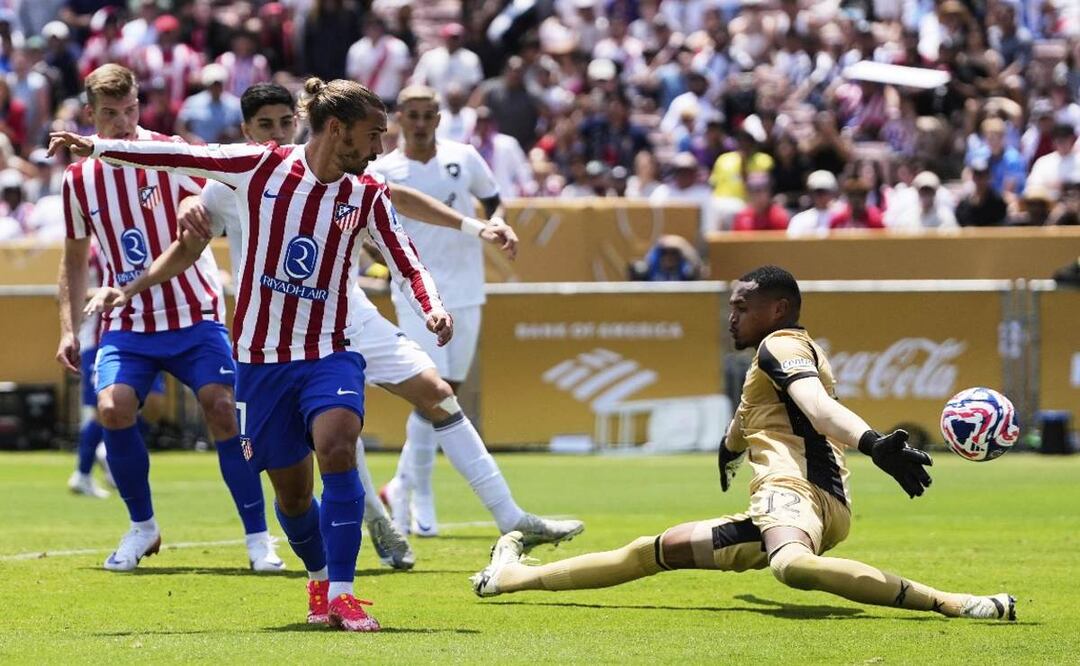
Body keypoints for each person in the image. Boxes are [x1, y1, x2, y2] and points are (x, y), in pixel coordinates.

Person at [51, 77, 453, 633]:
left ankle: (343, 592)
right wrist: (95, 146)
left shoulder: (368, 194)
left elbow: (406, 260)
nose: (380, 148)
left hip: (329, 351)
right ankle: (317, 578)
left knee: (338, 445)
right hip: (262, 362)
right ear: (336, 130)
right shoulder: (259, 167)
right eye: (373, 135)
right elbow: (179, 153)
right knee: (292, 496)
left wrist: (432, 308)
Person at [472, 265, 1016, 624]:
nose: (730, 316)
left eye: (740, 306)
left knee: (791, 568)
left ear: (776, 309)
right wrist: (729, 449)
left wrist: (875, 445)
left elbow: (819, 409)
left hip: (793, 492)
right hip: (807, 503)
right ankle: (511, 577)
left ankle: (954, 603)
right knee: (652, 551)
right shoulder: (771, 360)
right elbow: (748, 422)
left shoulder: (780, 345)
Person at [52, 64, 281, 575]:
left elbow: (204, 193)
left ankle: (258, 538)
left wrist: (190, 202)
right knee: (112, 408)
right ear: (90, 115)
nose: (122, 121)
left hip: (194, 312)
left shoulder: (166, 149)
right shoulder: (79, 178)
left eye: (130, 109)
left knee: (223, 409)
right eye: (109, 113)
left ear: (140, 105)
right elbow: (71, 260)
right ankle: (143, 527)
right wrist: (68, 328)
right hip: (129, 320)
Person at [369, 85, 585, 545]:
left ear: (439, 118)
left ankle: (402, 485)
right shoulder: (383, 169)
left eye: (430, 114)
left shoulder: (464, 157)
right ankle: (419, 494)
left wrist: (500, 221)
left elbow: (492, 201)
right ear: (399, 119)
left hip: (467, 287)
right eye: (414, 115)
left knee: (454, 390)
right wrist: (384, 258)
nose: (422, 123)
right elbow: (373, 228)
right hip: (416, 292)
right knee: (434, 390)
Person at [787, 170, 842, 237]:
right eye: (817, 192)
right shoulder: (800, 219)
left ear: (833, 192)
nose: (821, 195)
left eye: (825, 191)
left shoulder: (842, 217)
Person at [955, 159, 1007, 227]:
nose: (980, 179)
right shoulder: (964, 204)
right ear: (973, 177)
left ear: (989, 176)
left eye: (983, 175)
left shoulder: (998, 202)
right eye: (977, 175)